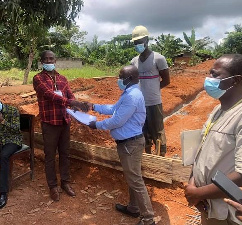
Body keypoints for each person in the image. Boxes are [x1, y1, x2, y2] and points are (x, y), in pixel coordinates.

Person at [184, 54, 242, 225]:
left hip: (228, 211)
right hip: (209, 205)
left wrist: (199, 194)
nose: (209, 79)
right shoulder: (217, 110)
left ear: (236, 80)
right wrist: (193, 184)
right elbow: (203, 151)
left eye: (215, 75)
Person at [88, 65, 155, 225]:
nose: (118, 79)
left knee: (135, 180)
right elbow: (114, 109)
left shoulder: (133, 96)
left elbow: (117, 120)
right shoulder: (129, 93)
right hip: (129, 143)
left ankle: (148, 219)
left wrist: (96, 125)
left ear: (130, 78)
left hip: (130, 144)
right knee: (133, 178)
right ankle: (133, 208)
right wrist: (93, 107)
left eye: (120, 76)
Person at [33, 50, 88, 202]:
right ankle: (52, 186)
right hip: (50, 123)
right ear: (41, 61)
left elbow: (70, 95)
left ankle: (65, 182)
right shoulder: (38, 78)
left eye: (52, 58)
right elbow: (50, 95)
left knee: (65, 153)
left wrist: (76, 105)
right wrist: (71, 102)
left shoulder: (62, 78)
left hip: (64, 121)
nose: (49, 61)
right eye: (46, 59)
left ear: (55, 60)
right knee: (50, 156)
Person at [130, 25, 170, 156]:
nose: (137, 45)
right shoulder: (134, 61)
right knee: (143, 131)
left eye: (139, 42)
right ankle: (147, 156)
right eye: (135, 43)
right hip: (139, 104)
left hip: (154, 102)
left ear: (147, 40)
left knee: (157, 131)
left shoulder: (159, 58)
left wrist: (153, 90)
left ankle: (161, 156)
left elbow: (166, 80)